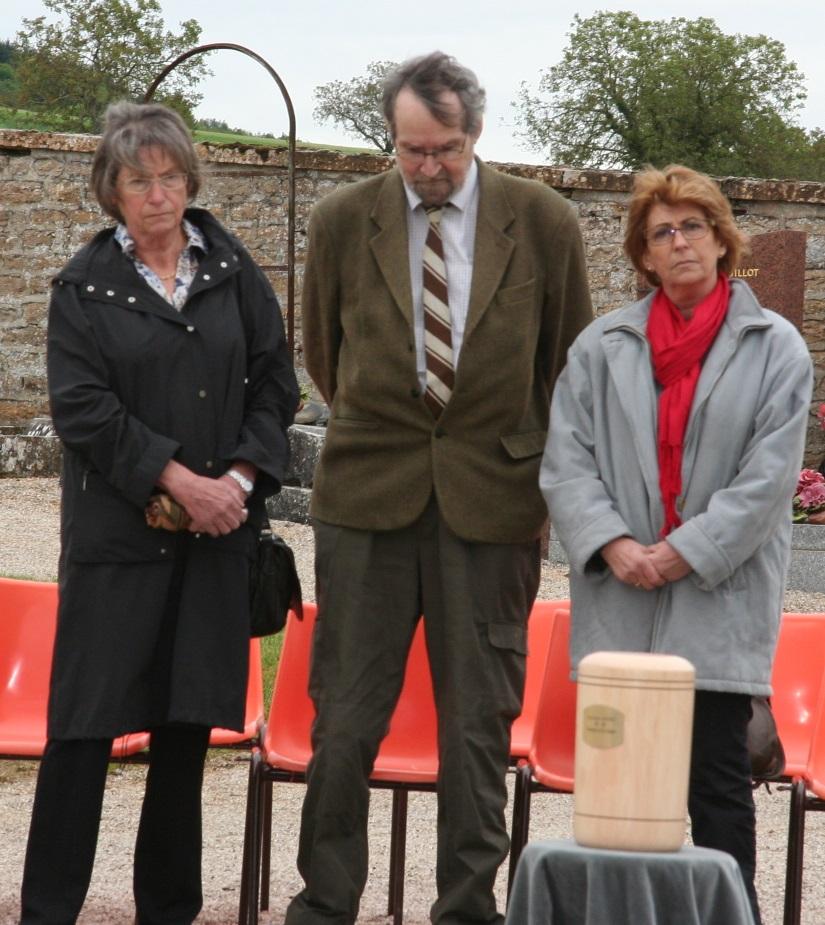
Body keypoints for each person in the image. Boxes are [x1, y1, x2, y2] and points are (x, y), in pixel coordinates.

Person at [285, 51, 593, 925]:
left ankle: (466, 908)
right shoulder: (344, 219)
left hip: (493, 507)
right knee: (342, 721)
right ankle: (324, 903)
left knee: (475, 730)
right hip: (365, 502)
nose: (427, 167)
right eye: (410, 149)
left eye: (445, 150)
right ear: (391, 139)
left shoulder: (543, 222)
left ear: (476, 134)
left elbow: (564, 362)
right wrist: (394, 432)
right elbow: (323, 354)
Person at [20, 101, 299, 924]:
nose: (157, 193)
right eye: (139, 179)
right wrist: (182, 481)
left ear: (190, 180)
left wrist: (239, 484)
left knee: (185, 731)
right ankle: (47, 910)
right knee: (82, 731)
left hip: (216, 541)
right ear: (112, 189)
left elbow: (274, 382)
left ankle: (168, 911)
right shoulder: (83, 285)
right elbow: (84, 411)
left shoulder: (234, 271)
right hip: (116, 542)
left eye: (170, 175)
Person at [540, 164, 813, 924]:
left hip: (713, 601)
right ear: (644, 257)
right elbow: (565, 463)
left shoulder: (774, 347)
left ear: (721, 240)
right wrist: (613, 543)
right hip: (620, 601)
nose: (680, 241)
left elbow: (767, 479)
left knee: (716, 790)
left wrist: (681, 551)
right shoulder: (599, 347)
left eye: (693, 226)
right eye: (662, 232)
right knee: (620, 796)